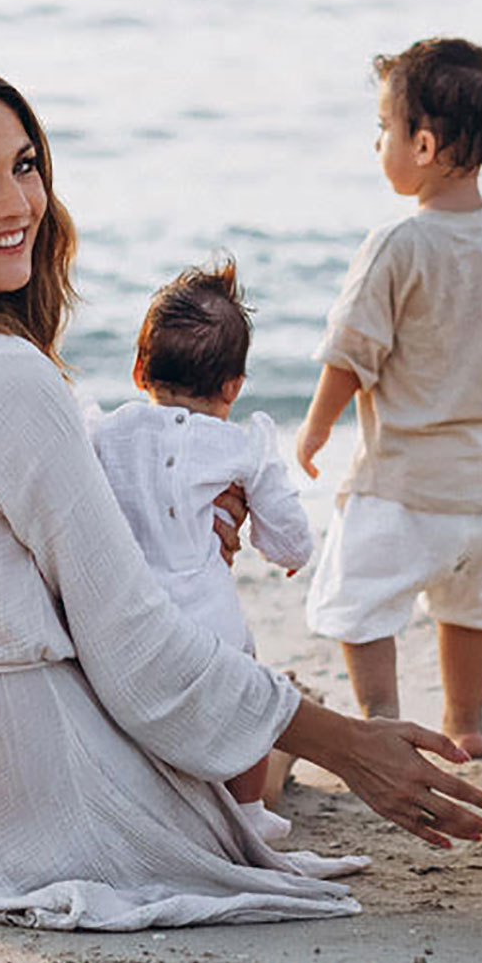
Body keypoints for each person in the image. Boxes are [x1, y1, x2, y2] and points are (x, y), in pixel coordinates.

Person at [0, 60, 482, 932]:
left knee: (242, 725)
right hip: (24, 782)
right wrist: (345, 741)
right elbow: (134, 651)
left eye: (25, 166)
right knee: (245, 757)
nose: (18, 203)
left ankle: (268, 725)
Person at [296, 37, 482, 758]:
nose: (378, 143)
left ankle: (382, 718)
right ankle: (467, 723)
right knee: (466, 610)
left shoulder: (397, 243)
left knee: (361, 602)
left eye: (384, 129)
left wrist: (314, 429)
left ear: (424, 145)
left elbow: (352, 352)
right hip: (480, 489)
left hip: (400, 484)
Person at [93, 258, 311, 838]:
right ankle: (248, 811)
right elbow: (289, 534)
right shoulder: (241, 446)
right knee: (249, 696)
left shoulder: (105, 433)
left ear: (139, 370)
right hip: (210, 628)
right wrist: (289, 555)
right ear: (233, 386)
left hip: (127, 623)